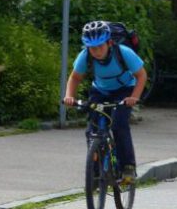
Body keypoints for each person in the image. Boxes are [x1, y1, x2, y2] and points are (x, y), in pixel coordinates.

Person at [62, 20, 148, 184]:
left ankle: (128, 167)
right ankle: (94, 172)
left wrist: (134, 97)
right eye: (92, 48)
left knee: (119, 124)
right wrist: (69, 96)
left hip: (124, 90)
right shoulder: (85, 56)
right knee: (92, 130)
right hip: (100, 91)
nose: (96, 51)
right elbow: (75, 78)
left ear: (109, 42)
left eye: (100, 46)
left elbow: (141, 75)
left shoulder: (123, 53)